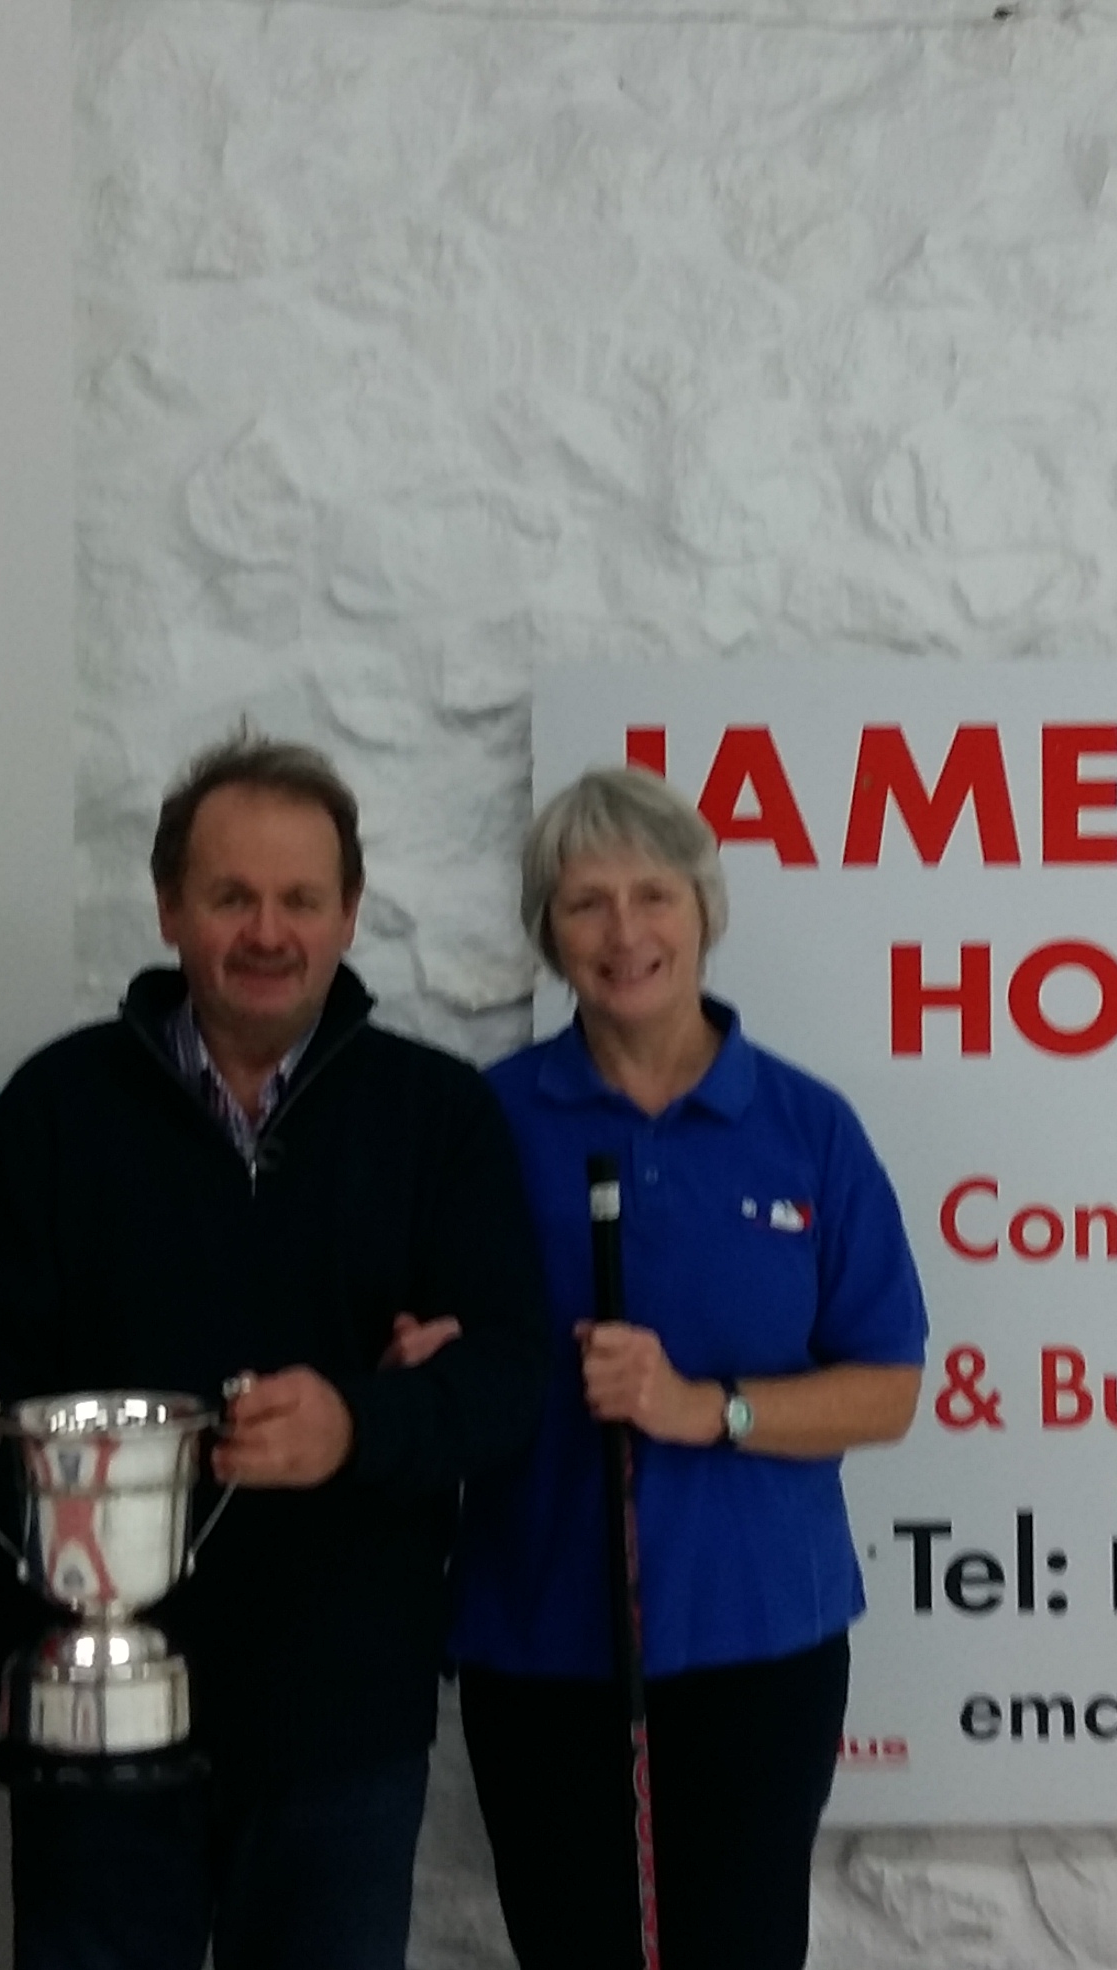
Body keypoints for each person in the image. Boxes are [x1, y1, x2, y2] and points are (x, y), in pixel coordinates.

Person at [0, 731, 547, 1970]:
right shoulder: (56, 1111)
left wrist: (358, 1424)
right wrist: (18, 1651)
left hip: (344, 1727)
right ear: (169, 909)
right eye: (231, 897)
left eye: (301, 899)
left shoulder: (438, 1117)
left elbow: (511, 1380)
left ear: (350, 913)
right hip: (97, 1742)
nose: (268, 931)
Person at [450, 765, 928, 1970]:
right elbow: (423, 1347)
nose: (625, 934)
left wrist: (706, 1409)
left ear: (703, 909)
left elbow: (887, 1387)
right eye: (586, 904)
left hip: (760, 1641)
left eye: (653, 896)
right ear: (548, 933)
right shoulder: (482, 1124)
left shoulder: (807, 1128)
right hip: (541, 1634)